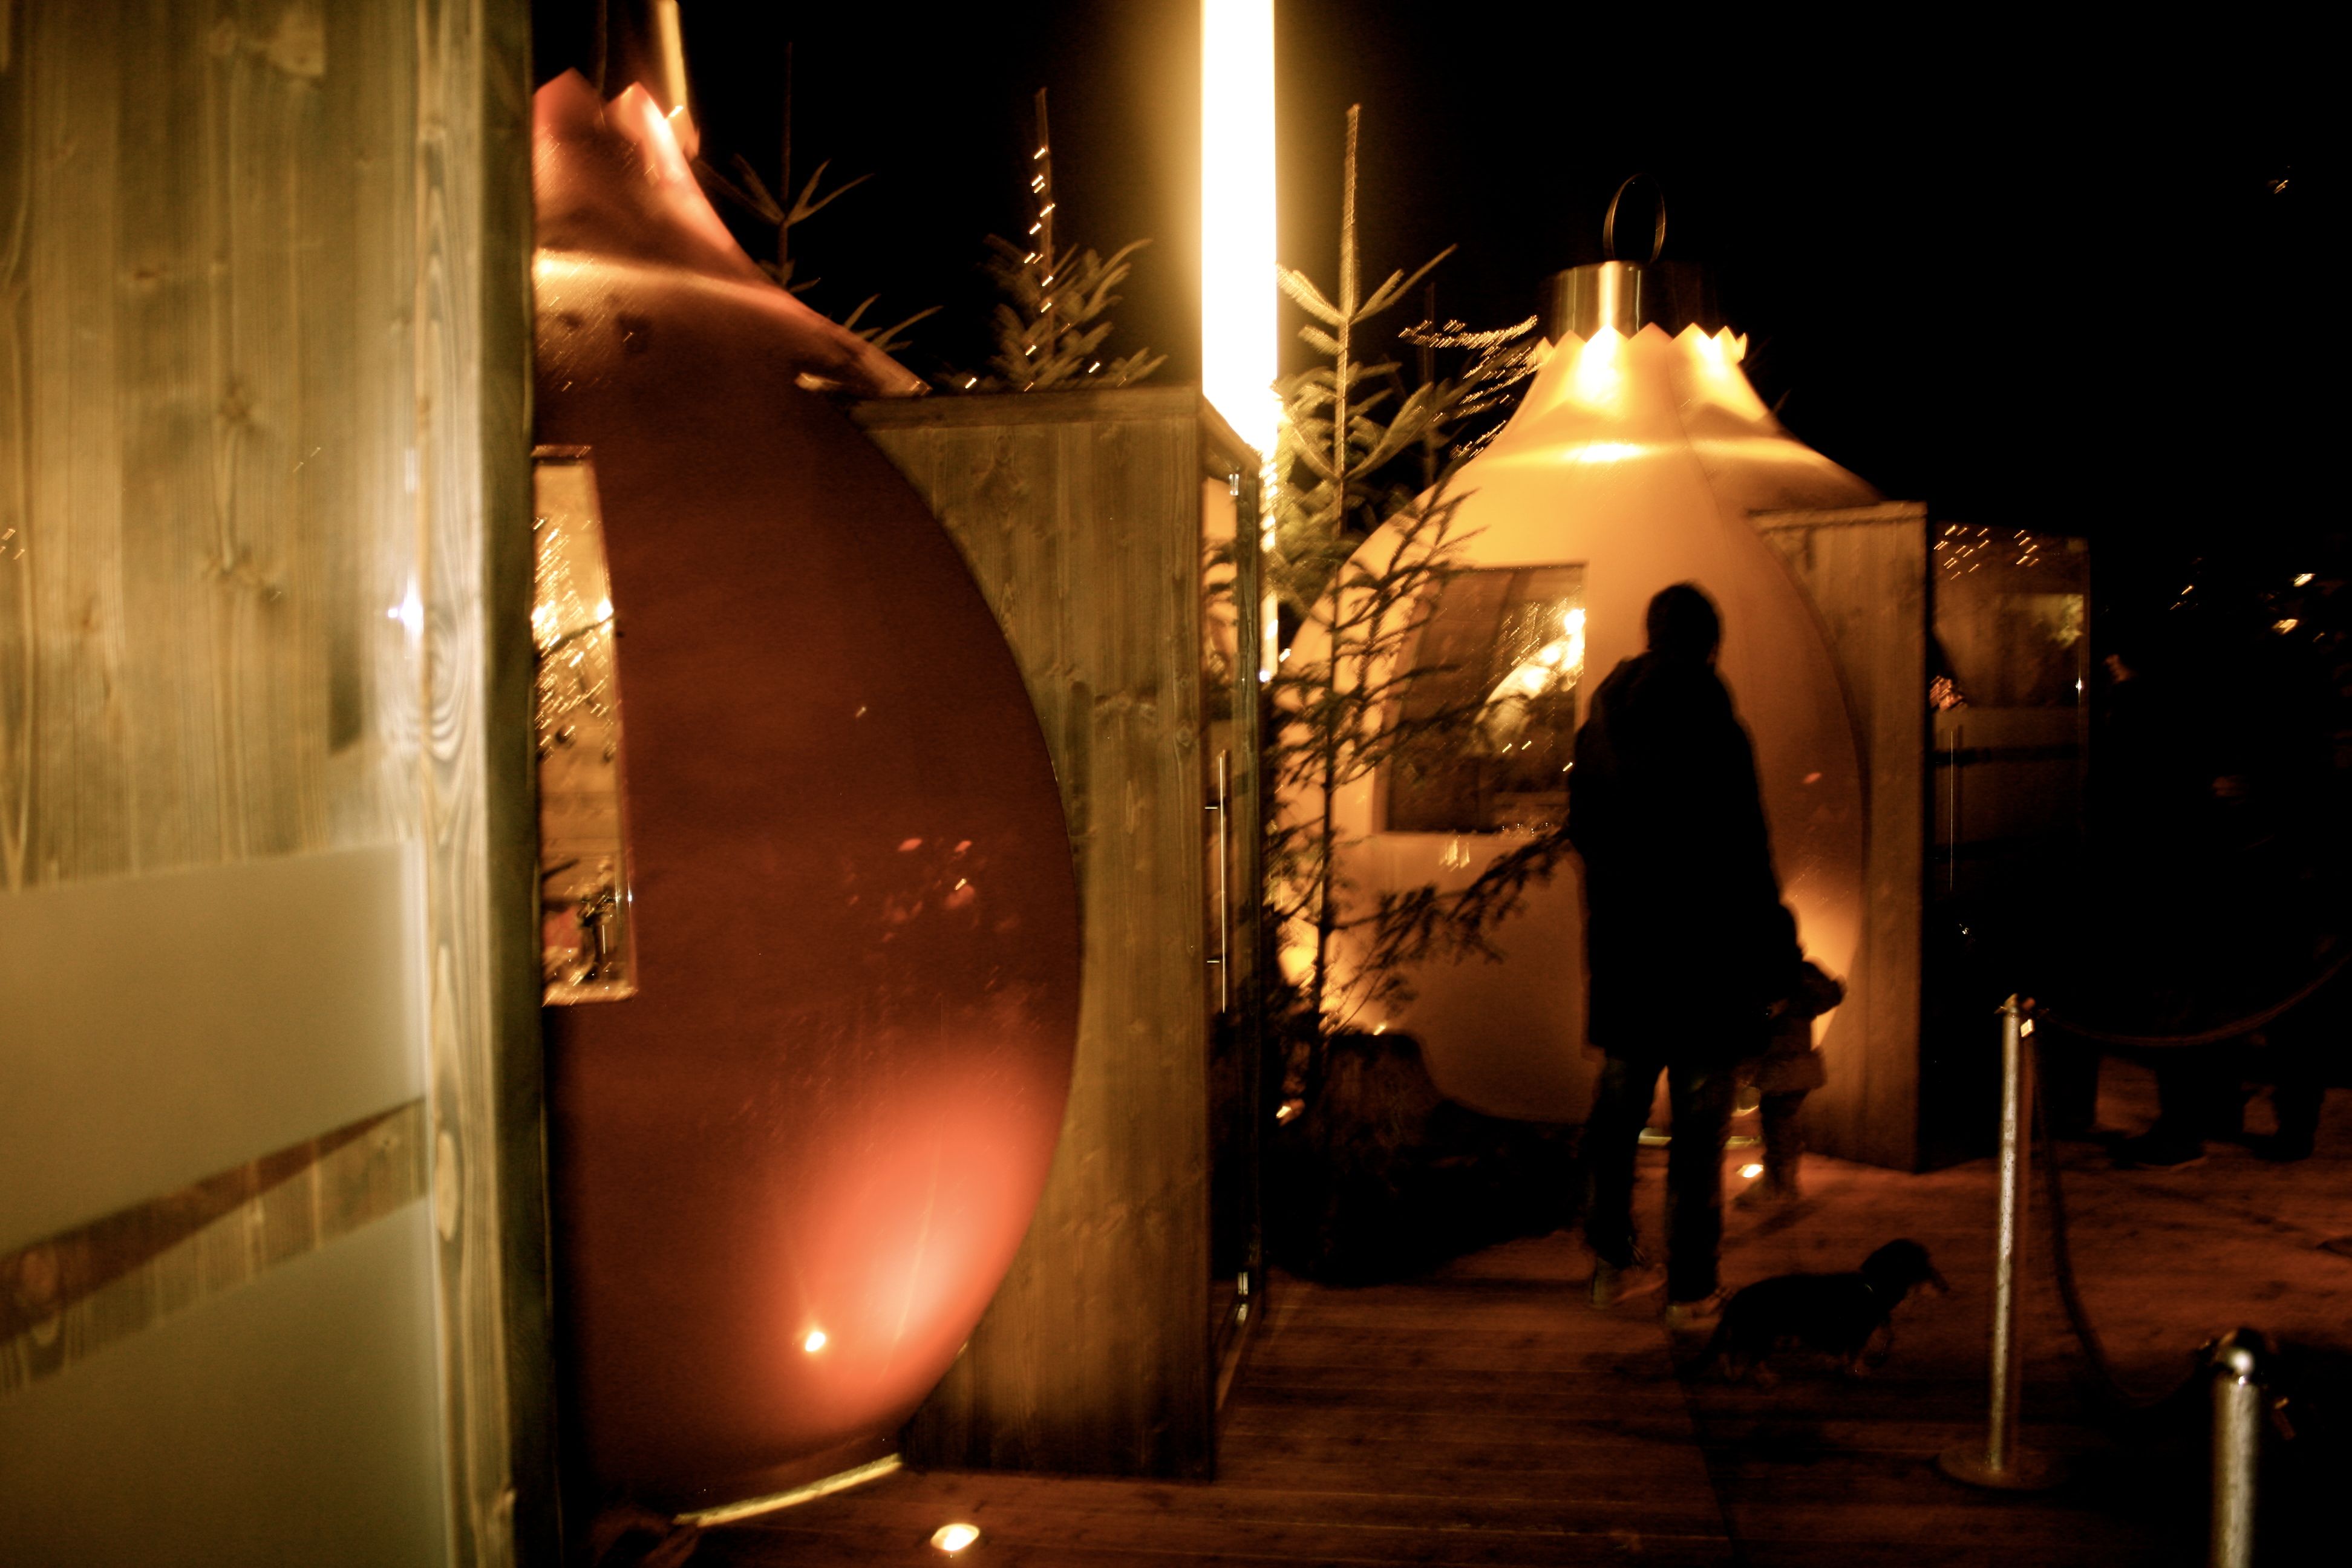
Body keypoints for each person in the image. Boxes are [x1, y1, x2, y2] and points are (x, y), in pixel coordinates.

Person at [1569, 583, 1802, 1328]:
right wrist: (1780, 956)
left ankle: (1610, 1263)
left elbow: (1585, 835)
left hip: (1627, 955)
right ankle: (1691, 1290)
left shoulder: (1601, 729)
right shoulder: (1718, 730)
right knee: (1699, 1134)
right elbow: (1748, 857)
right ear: (1710, 646)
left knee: (1617, 1117)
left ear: (1650, 636)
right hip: (1706, 961)